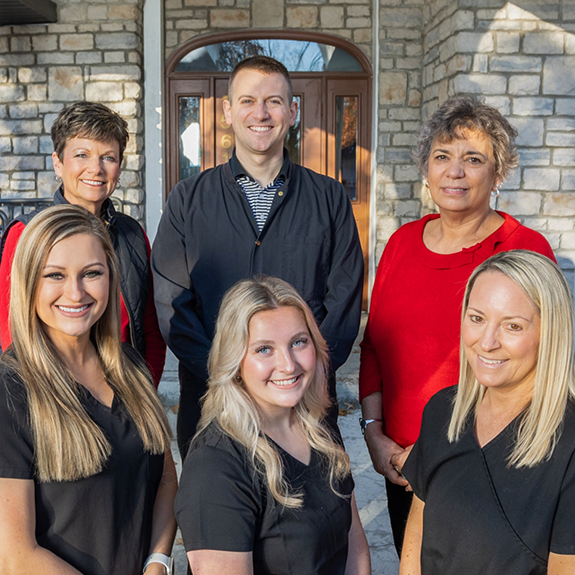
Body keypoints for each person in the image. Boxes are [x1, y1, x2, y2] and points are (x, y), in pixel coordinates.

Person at [358, 96, 556, 556]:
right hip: (402, 466)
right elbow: (374, 347)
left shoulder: (524, 249)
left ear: (498, 173)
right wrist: (374, 435)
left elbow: (538, 365)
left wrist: (440, 456)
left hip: (488, 469)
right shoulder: (402, 244)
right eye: (442, 157)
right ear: (426, 169)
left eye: (473, 159)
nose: (455, 171)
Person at [153, 56, 363, 457]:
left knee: (311, 515)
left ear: (292, 112)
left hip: (303, 403)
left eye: (274, 101)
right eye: (247, 101)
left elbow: (344, 300)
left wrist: (303, 373)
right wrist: (227, 376)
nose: (261, 113)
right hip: (213, 402)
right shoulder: (187, 199)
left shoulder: (329, 198)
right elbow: (171, 304)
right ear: (228, 112)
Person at [0, 205, 177, 575]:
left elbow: (164, 477)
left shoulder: (131, 368)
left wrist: (158, 561)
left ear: (110, 277)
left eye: (91, 273)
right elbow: (15, 556)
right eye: (55, 275)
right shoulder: (10, 389)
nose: (76, 292)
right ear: (28, 282)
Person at [175, 276, 370, 575]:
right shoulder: (215, 468)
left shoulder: (318, 431)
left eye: (298, 342)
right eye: (264, 349)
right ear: (234, 361)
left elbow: (353, 542)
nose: (289, 364)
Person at [401, 250, 575, 575]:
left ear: (550, 333)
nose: (487, 342)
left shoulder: (568, 446)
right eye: (477, 318)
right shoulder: (444, 411)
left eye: (512, 326)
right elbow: (417, 534)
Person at [0, 101, 165, 387]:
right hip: (52, 397)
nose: (96, 168)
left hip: (123, 394)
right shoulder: (27, 233)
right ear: (58, 163)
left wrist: (143, 392)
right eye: (81, 154)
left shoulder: (133, 235)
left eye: (108, 158)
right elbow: (10, 331)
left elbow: (148, 327)